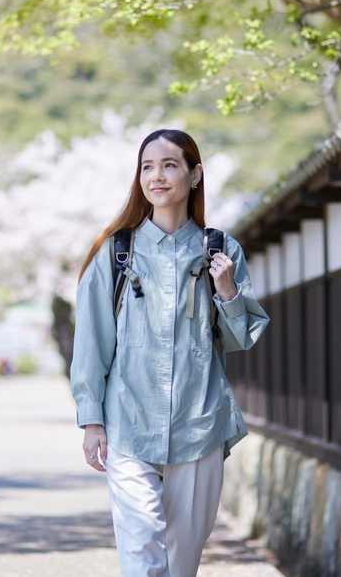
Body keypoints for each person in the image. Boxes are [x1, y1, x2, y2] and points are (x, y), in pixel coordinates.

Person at [71, 129, 269, 577]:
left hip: (199, 426)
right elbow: (91, 342)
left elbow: (241, 340)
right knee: (141, 552)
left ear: (195, 174)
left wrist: (228, 291)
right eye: (147, 166)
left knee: (181, 563)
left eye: (169, 165)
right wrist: (91, 419)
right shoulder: (114, 253)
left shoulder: (220, 250)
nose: (156, 176)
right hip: (128, 424)